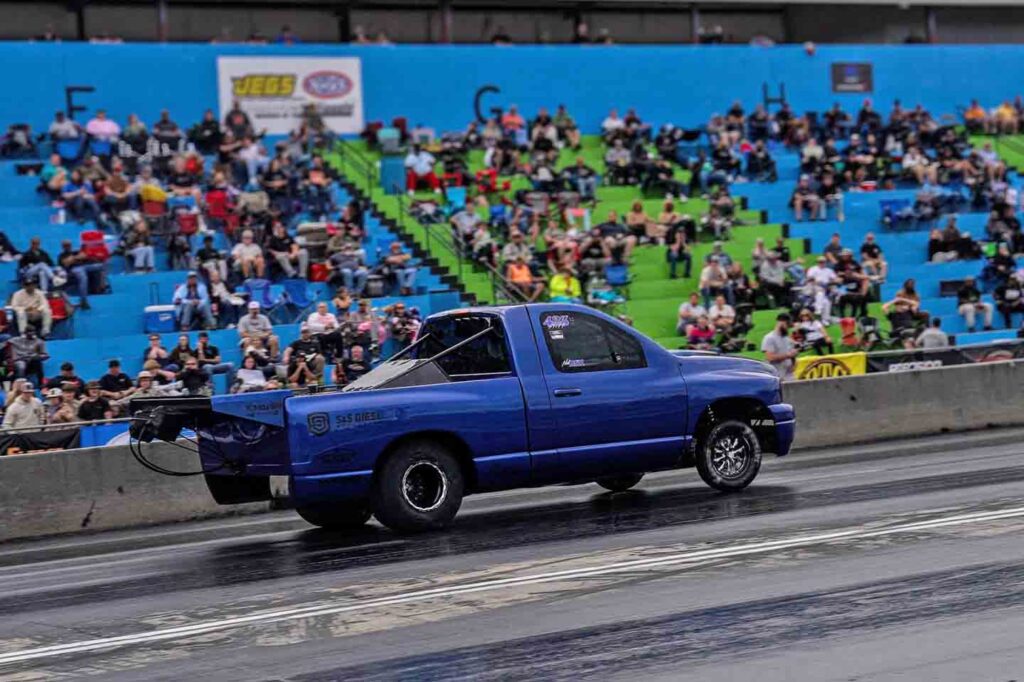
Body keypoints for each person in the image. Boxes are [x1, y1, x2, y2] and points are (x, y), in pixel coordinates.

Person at [57, 239, 106, 310]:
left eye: (69, 245)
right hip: (74, 269)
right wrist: (77, 257)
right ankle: (83, 300)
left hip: (84, 266)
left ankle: (102, 286)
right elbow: (65, 263)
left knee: (101, 266)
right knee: (83, 277)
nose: (68, 246)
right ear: (63, 247)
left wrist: (72, 258)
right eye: (66, 245)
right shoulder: (61, 255)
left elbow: (85, 256)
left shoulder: (75, 252)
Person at [283, 323, 324, 387]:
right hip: (298, 362)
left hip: (311, 361)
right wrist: (286, 357)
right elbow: (288, 350)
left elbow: (319, 354)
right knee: (293, 383)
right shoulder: (296, 343)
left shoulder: (315, 343)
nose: (305, 334)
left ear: (310, 333)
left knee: (320, 358)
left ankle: (318, 377)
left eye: (307, 332)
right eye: (303, 332)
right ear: (301, 333)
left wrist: (309, 360)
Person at [761, 313, 798, 380]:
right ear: (781, 322)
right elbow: (770, 357)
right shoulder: (769, 338)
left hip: (789, 375)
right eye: (787, 325)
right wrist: (788, 355)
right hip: (777, 376)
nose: (788, 328)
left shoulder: (787, 338)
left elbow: (792, 355)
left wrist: (794, 358)